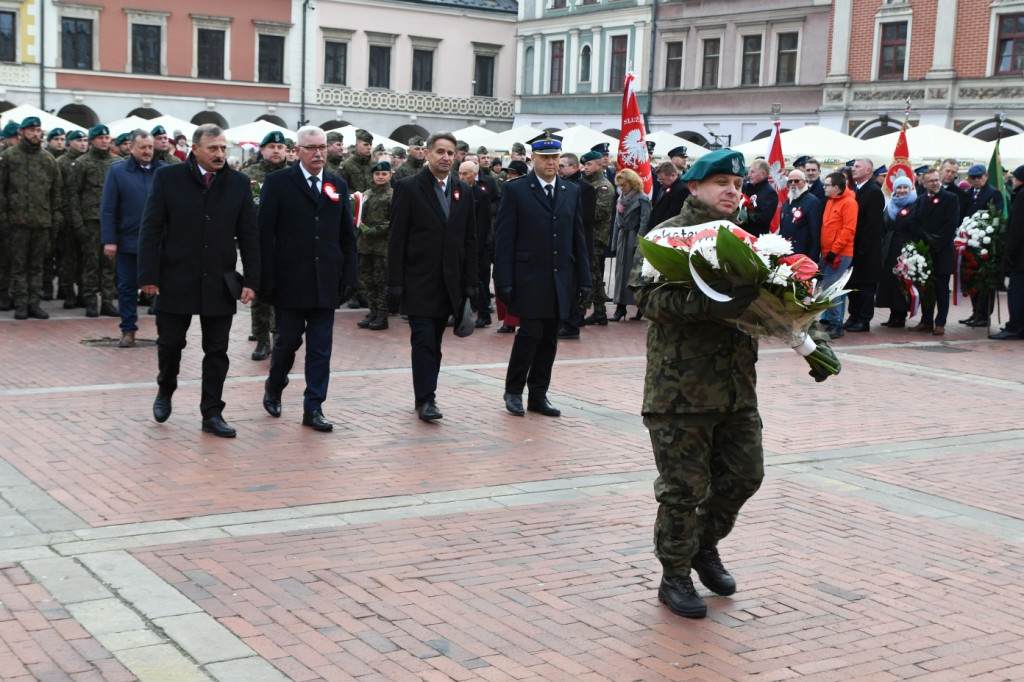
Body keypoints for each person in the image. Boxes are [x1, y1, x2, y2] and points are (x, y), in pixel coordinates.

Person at [628, 149, 765, 620]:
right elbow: (646, 297)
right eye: (722, 182)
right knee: (683, 488)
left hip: (735, 386)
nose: (733, 190)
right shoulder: (668, 238)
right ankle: (675, 574)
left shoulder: (750, 238)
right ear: (694, 188)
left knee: (746, 474)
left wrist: (803, 334)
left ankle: (705, 545)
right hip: (680, 390)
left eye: (738, 183)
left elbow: (772, 301)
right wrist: (711, 306)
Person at [137, 124, 260, 438]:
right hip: (175, 277)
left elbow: (249, 236)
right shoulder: (168, 178)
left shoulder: (239, 183)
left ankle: (212, 413)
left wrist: (252, 280)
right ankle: (165, 389)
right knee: (170, 344)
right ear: (195, 149)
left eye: (223, 148)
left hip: (219, 280)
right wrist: (148, 276)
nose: (220, 154)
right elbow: (150, 229)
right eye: (213, 149)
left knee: (217, 350)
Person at [259, 126, 358, 432]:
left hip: (325, 279)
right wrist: (266, 277)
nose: (318, 153)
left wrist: (349, 275)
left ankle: (313, 407)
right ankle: (275, 385)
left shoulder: (336, 184)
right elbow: (264, 234)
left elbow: (346, 235)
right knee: (287, 342)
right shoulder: (278, 183)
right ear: (297, 151)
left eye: (322, 148)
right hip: (289, 280)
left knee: (320, 349)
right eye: (311, 148)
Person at [493, 132, 590, 417]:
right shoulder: (516, 190)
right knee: (529, 335)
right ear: (532, 158)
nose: (551, 163)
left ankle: (538, 394)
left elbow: (577, 238)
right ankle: (513, 391)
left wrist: (584, 279)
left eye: (555, 158)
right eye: (545, 157)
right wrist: (504, 281)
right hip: (528, 278)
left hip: (560, 278)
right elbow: (504, 240)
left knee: (549, 339)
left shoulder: (570, 191)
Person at [387, 131, 477, 421]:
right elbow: (397, 238)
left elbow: (470, 240)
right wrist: (396, 283)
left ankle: (426, 393)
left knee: (435, 344)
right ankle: (426, 399)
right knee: (424, 341)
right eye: (440, 152)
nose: (446, 158)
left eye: (451, 153)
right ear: (427, 154)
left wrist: (471, 284)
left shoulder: (464, 191)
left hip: (450, 284)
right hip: (419, 281)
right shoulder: (408, 187)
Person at [100, 129, 166, 348]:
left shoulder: (165, 171)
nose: (148, 151)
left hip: (159, 243)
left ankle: (164, 330)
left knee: (163, 287)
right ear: (131, 148)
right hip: (129, 241)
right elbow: (108, 208)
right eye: (143, 147)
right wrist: (110, 240)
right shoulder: (118, 172)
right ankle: (128, 329)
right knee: (127, 288)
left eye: (150, 147)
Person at [0, 116, 63, 320]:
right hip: (16, 222)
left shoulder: (47, 159)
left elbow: (56, 192)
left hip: (42, 221)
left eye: (38, 130)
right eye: (31, 130)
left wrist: (55, 219)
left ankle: (33, 303)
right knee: (18, 264)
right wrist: (4, 218)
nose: (35, 134)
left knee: (37, 265)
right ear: (22, 132)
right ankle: (20, 303)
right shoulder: (9, 157)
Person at [243, 131, 289, 360]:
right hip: (258, 244)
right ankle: (262, 340)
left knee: (285, 293)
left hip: (287, 244)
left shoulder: (295, 174)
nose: (276, 151)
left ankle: (280, 336)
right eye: (271, 146)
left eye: (280, 147)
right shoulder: (249, 175)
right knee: (260, 293)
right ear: (262, 150)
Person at [70, 124, 119, 318]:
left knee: (110, 264)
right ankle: (91, 300)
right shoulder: (82, 163)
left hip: (113, 221)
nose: (104, 141)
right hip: (91, 220)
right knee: (91, 263)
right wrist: (78, 223)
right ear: (92, 140)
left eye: (107, 137)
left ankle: (107, 301)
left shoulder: (117, 162)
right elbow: (73, 195)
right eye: (100, 137)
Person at [908, 168, 959, 336]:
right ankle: (926, 320)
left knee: (941, 289)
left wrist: (936, 241)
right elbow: (914, 222)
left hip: (942, 249)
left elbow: (951, 223)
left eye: (937, 180)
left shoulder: (951, 198)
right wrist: (926, 237)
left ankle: (940, 322)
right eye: (931, 181)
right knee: (926, 286)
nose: (935, 183)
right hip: (925, 251)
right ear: (924, 183)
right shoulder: (921, 200)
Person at [556, 152, 596, 340]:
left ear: (574, 167)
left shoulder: (585, 188)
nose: (559, 169)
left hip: (578, 243)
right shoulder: (561, 185)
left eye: (563, 165)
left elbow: (586, 217)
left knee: (573, 286)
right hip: (564, 242)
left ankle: (572, 323)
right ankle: (565, 321)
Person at [961, 163, 1005, 327]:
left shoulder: (994, 193)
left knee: (985, 281)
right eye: (973, 178)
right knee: (972, 278)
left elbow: (996, 217)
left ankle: (984, 315)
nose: (977, 180)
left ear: (986, 176)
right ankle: (975, 312)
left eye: (980, 177)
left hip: (985, 243)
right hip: (970, 243)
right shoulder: (969, 193)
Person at [458, 159, 500, 328]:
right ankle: (459, 313)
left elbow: (482, 225)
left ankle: (484, 313)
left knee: (478, 281)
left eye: (465, 174)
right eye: (460, 173)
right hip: (460, 244)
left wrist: (477, 248)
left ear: (474, 175)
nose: (461, 177)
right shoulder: (456, 192)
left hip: (477, 246)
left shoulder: (482, 195)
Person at [845, 158, 885, 332]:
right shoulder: (855, 190)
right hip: (853, 247)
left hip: (866, 250)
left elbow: (872, 225)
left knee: (866, 287)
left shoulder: (874, 192)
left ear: (868, 170)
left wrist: (862, 249)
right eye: (853, 166)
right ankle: (853, 316)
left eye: (857, 166)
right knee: (853, 285)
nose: (853, 169)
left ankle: (864, 319)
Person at [819, 171, 858, 339]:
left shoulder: (849, 203)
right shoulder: (831, 202)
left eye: (827, 185)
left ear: (836, 187)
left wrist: (834, 250)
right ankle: (834, 321)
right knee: (830, 287)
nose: (824, 188)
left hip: (839, 253)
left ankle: (836, 323)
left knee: (831, 287)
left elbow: (848, 230)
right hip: (828, 252)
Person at [609, 168, 651, 322]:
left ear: (632, 183)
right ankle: (620, 307)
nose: (622, 188)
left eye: (624, 185)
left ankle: (639, 307)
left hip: (633, 239)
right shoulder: (621, 199)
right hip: (622, 239)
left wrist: (638, 244)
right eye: (620, 185)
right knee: (620, 275)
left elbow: (644, 223)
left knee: (634, 276)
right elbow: (616, 224)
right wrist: (614, 244)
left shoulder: (642, 199)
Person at [875, 176, 917, 328]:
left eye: (905, 187)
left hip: (906, 248)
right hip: (890, 247)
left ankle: (901, 316)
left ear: (910, 188)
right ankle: (893, 314)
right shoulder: (890, 205)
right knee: (889, 281)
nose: (902, 190)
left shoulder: (915, 204)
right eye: (899, 187)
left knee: (901, 281)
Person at [357, 160, 393, 330]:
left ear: (390, 175)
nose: (380, 177)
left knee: (381, 282)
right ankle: (373, 311)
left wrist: (376, 230)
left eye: (384, 174)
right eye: (377, 174)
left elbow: (393, 221)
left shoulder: (393, 195)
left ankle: (382, 315)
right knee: (368, 280)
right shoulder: (366, 194)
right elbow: (357, 216)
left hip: (382, 246)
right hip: (365, 245)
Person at [581, 150, 615, 326]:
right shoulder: (588, 184)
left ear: (599, 165)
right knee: (592, 275)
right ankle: (599, 311)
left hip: (596, 237)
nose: (585, 168)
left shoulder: (604, 186)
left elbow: (600, 212)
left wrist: (577, 212)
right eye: (585, 165)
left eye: (589, 164)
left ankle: (594, 310)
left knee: (593, 275)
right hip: (588, 236)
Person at [991, 165, 1024, 340]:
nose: (1013, 180)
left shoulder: (1021, 196)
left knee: (1017, 291)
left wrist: (1008, 255)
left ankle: (1014, 326)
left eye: (1016, 177)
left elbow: (1016, 229)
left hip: (1020, 257)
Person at [778, 169, 822, 259]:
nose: (793, 183)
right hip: (785, 253)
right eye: (790, 181)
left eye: (796, 181)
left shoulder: (812, 202)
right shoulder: (788, 201)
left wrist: (811, 260)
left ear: (804, 182)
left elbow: (815, 234)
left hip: (801, 255)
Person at [738, 158, 778, 237]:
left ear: (762, 174)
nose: (749, 175)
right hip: (739, 233)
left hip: (756, 237)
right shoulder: (745, 187)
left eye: (752, 172)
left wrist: (742, 214)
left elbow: (763, 218)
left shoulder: (770, 193)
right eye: (749, 172)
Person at [649, 161, 689, 228]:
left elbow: (673, 214)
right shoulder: (671, 187)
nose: (661, 183)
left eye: (662, 180)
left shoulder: (682, 190)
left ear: (672, 175)